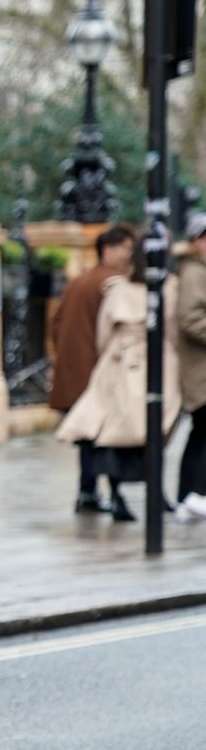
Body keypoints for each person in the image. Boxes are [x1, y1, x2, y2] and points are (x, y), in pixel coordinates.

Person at [56, 235, 181, 522]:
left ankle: (114, 494)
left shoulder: (117, 287)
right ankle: (148, 493)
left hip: (119, 363)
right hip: (153, 364)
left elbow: (103, 332)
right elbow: (172, 328)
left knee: (112, 431)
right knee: (150, 430)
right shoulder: (169, 287)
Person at [50, 225, 137, 512]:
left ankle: (88, 492)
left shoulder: (79, 280)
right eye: (126, 248)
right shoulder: (113, 282)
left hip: (74, 371)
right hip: (99, 372)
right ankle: (112, 495)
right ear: (108, 249)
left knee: (88, 438)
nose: (129, 254)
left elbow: (56, 322)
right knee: (105, 436)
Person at [172, 212, 206, 520]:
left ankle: (190, 495)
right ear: (195, 241)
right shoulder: (195, 272)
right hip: (200, 371)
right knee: (202, 434)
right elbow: (190, 319)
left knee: (200, 434)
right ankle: (194, 494)